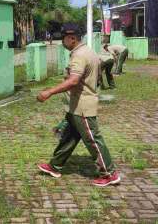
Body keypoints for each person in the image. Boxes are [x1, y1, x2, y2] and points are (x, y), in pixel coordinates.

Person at [36, 23, 120, 187]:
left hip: (83, 107)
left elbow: (73, 80)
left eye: (64, 39)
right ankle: (55, 166)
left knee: (93, 140)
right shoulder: (87, 51)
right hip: (77, 106)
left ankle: (109, 173)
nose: (62, 42)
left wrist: (49, 92)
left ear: (72, 38)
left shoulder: (79, 55)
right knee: (69, 137)